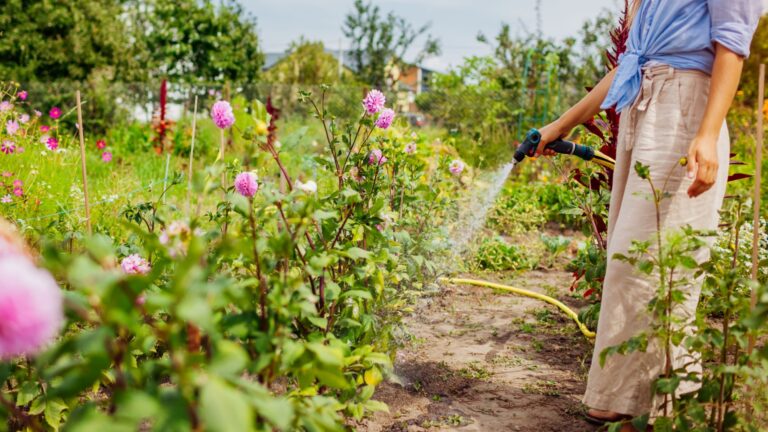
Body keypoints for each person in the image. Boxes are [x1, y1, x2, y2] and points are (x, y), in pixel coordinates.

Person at [535, 0, 762, 430]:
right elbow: (629, 63)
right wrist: (561, 125)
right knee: (636, 261)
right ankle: (638, 398)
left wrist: (708, 134)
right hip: (646, 109)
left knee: (656, 262)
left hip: (685, 111)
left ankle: (658, 402)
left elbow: (731, 47)